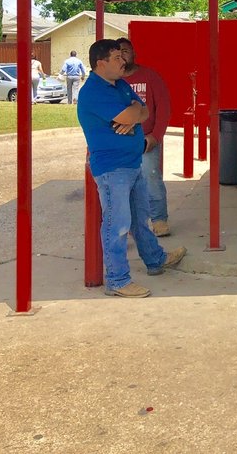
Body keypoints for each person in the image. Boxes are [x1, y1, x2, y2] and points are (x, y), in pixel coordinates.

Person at [77, 39, 185, 298]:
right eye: (116, 58)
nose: (122, 61)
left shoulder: (121, 85)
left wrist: (133, 113)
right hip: (112, 169)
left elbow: (144, 111)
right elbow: (130, 116)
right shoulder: (94, 91)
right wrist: (132, 115)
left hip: (132, 163)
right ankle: (117, 280)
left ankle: (155, 259)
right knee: (117, 224)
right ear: (100, 63)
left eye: (122, 56)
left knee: (140, 219)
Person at [116, 38, 172, 237]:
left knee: (151, 178)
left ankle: (159, 220)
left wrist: (156, 136)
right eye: (118, 52)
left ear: (134, 53)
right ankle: (131, 224)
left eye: (126, 50)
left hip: (146, 141)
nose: (123, 55)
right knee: (124, 184)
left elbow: (164, 108)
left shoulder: (150, 76)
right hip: (121, 143)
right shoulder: (113, 81)